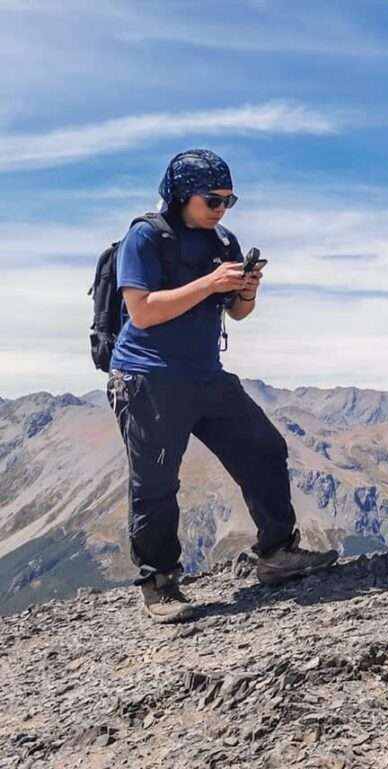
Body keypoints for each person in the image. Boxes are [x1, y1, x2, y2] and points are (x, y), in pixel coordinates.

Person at [106, 148, 337, 624]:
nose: (221, 210)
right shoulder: (146, 238)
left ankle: (276, 553)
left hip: (206, 375)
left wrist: (246, 290)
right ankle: (160, 584)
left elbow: (237, 313)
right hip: (148, 377)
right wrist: (211, 283)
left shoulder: (224, 240)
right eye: (212, 200)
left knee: (264, 449)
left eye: (229, 200)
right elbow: (143, 311)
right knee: (155, 483)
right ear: (180, 195)